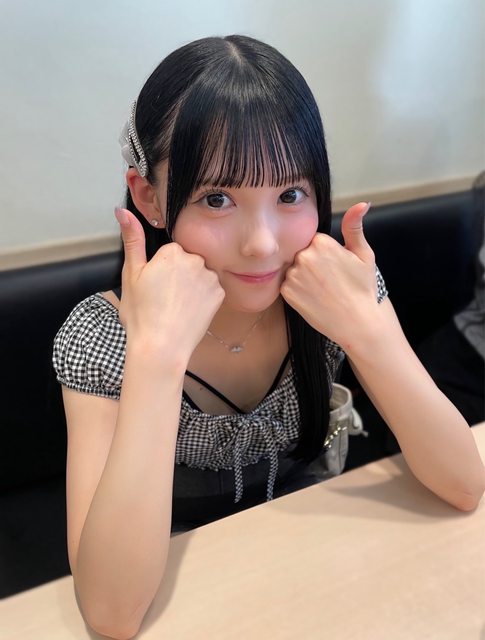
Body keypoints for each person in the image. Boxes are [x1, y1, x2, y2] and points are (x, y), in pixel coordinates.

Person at [52, 35, 485, 639]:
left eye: (289, 195)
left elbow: (464, 485)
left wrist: (367, 331)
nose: (261, 243)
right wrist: (157, 356)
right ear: (149, 196)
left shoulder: (332, 289)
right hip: (179, 600)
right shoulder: (101, 336)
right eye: (218, 198)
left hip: (322, 578)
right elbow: (111, 613)